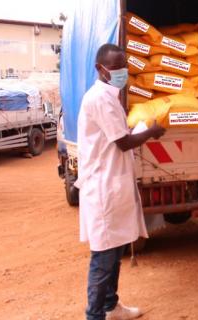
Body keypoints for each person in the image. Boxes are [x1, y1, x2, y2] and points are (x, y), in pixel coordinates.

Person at [74, 43, 166, 320]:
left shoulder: (109, 96)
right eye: (115, 68)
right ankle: (95, 315)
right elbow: (123, 142)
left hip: (113, 185)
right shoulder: (99, 98)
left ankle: (111, 307)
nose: (121, 72)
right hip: (103, 188)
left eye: (123, 67)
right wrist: (150, 131)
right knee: (103, 259)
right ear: (100, 69)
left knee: (114, 255)